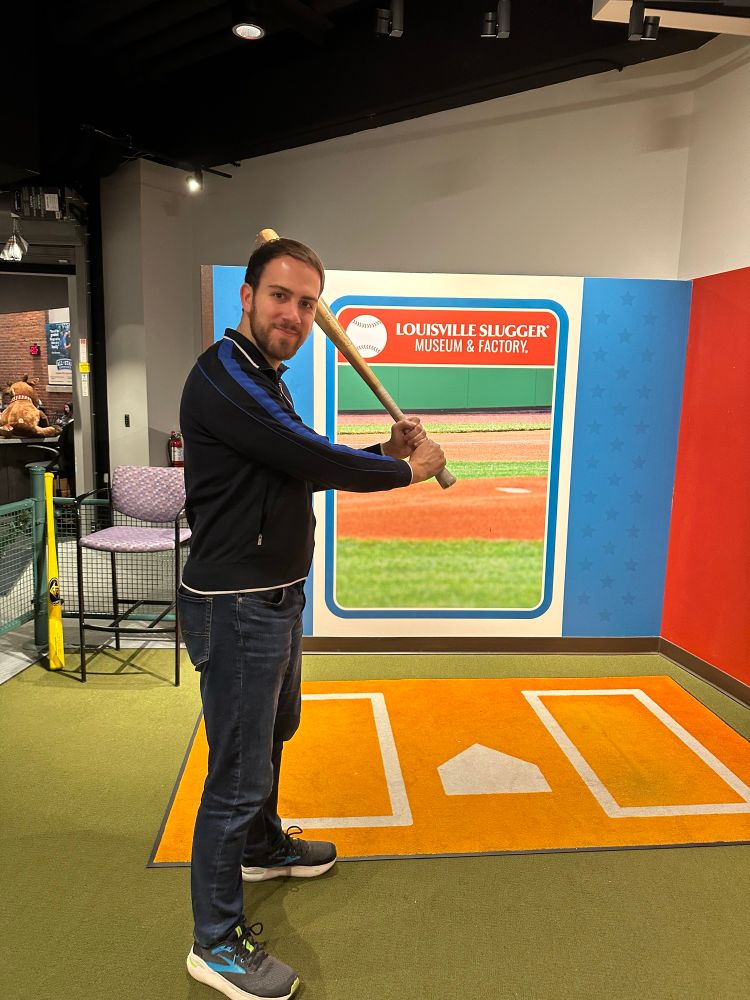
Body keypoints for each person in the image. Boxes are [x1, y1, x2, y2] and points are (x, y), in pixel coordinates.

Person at [178, 237, 445, 1000]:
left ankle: (261, 846)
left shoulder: (264, 376)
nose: (292, 314)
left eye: (305, 303)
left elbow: (295, 468)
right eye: (280, 297)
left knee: (272, 734)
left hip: (275, 596)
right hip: (236, 607)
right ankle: (214, 942)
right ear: (248, 298)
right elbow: (310, 455)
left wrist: (377, 450)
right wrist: (401, 469)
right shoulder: (227, 376)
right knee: (235, 773)